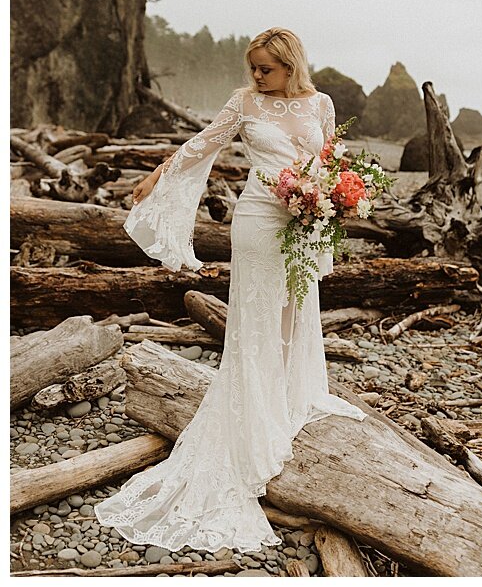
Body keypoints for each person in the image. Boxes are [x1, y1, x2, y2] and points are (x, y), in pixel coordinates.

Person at [94, 28, 365, 552]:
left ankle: (288, 397)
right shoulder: (243, 103)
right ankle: (253, 411)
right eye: (254, 68)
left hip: (305, 221)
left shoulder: (322, 104)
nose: (257, 77)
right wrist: (158, 175)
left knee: (295, 310)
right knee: (258, 318)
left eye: (266, 68)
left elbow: (330, 161)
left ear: (291, 65)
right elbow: (202, 146)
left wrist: (333, 198)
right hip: (259, 220)